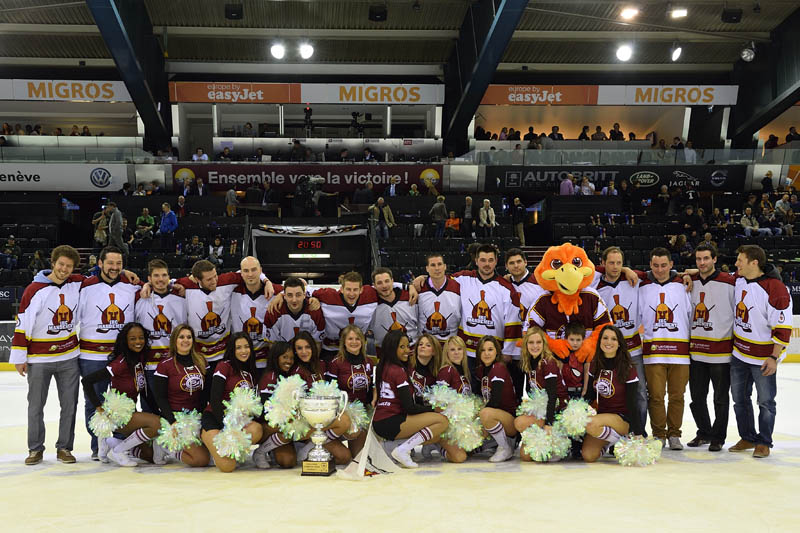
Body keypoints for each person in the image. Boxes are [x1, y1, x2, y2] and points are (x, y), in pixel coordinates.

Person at [11, 246, 83, 465]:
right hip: (38, 359)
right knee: (35, 406)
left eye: (69, 266)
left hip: (69, 357)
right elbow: (23, 324)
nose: (64, 269)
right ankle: (35, 449)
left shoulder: (77, 284)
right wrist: (20, 357)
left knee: (69, 405)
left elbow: (103, 277)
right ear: (52, 263)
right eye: (61, 264)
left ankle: (64, 448)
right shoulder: (34, 290)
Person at [77, 246, 141, 457]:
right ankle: (98, 445)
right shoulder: (84, 286)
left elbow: (158, 284)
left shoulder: (132, 286)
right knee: (94, 401)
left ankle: (120, 443)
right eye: (110, 263)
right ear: (100, 264)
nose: (114, 268)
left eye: (118, 264)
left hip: (123, 357)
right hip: (91, 355)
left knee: (123, 401)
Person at [729, 245, 791, 458]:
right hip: (739, 354)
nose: (736, 264)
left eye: (740, 260)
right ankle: (747, 437)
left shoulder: (776, 289)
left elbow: (783, 329)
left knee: (765, 401)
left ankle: (764, 441)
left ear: (754, 262)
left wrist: (774, 357)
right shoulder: (738, 280)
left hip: (763, 358)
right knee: (739, 399)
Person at [81, 323, 165, 466]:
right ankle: (119, 450)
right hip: (118, 416)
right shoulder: (120, 363)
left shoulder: (139, 358)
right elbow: (87, 381)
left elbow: (144, 392)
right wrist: (98, 407)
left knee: (149, 455)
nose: (138, 342)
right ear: (125, 341)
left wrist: (159, 411)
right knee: (157, 424)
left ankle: (111, 442)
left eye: (141, 338)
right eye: (132, 339)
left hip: (130, 415)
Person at [638, 247, 692, 450]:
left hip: (680, 354)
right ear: (650, 265)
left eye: (664, 265)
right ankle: (659, 434)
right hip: (653, 353)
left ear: (671, 265)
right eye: (655, 265)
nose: (660, 270)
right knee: (656, 396)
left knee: (677, 396)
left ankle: (675, 434)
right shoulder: (642, 286)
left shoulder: (683, 286)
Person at [172, 259, 272, 367]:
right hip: (198, 353)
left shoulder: (226, 281)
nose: (214, 280)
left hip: (224, 352)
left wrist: (267, 281)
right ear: (197, 279)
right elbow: (165, 283)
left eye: (215, 275)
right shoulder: (187, 284)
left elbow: (249, 272)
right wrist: (150, 285)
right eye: (209, 279)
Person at [373, 330, 449, 468]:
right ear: (392, 348)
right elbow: (410, 407)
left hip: (381, 421)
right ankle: (403, 450)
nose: (407, 350)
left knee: (435, 436)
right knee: (442, 421)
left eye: (408, 346)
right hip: (391, 420)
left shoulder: (383, 366)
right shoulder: (399, 371)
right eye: (402, 347)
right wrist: (433, 409)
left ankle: (391, 446)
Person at [592, 246, 648, 430]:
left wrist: (627, 270)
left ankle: (638, 432)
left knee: (639, 392)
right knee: (606, 391)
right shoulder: (595, 284)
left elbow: (659, 273)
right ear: (603, 263)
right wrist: (626, 269)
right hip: (606, 351)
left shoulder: (635, 280)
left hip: (633, 349)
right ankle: (609, 432)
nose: (615, 267)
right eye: (611, 263)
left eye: (619, 263)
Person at [686, 244, 735, 452]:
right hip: (696, 351)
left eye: (706, 258)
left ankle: (718, 437)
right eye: (698, 259)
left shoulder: (730, 282)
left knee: (720, 399)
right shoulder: (690, 281)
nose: (702, 263)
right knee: (697, 397)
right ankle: (704, 432)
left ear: (715, 259)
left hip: (721, 353)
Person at [200, 332, 263, 472]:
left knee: (257, 429)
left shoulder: (251, 372)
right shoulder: (224, 366)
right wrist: (224, 428)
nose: (243, 351)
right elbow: (214, 400)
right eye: (238, 347)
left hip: (237, 424)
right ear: (232, 350)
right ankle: (212, 447)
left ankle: (229, 453)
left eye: (246, 347)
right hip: (215, 419)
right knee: (227, 467)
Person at [581, 325, 645, 462]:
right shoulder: (595, 364)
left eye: (613, 339)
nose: (608, 342)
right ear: (600, 342)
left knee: (590, 424)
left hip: (622, 419)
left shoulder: (628, 367)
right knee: (588, 455)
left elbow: (633, 402)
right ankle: (613, 441)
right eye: (605, 338)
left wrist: (638, 432)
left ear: (619, 344)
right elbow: (590, 396)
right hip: (603, 417)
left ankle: (625, 438)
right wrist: (575, 411)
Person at [152, 326, 211, 467]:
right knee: (200, 460)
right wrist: (172, 421)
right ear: (174, 341)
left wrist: (203, 417)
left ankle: (177, 445)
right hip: (176, 417)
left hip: (196, 417)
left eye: (189, 337)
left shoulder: (202, 361)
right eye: (181, 337)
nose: (186, 340)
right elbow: (160, 398)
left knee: (212, 458)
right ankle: (164, 446)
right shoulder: (165, 365)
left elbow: (206, 393)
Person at [514, 327, 569, 461]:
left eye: (538, 342)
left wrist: (548, 423)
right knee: (525, 456)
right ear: (526, 345)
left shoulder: (547, 362)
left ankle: (557, 435)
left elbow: (553, 395)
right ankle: (545, 438)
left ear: (544, 344)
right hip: (542, 410)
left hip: (557, 408)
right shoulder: (529, 363)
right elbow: (531, 392)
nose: (535, 346)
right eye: (531, 342)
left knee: (519, 422)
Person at [324, 325, 374, 458]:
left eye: (358, 338)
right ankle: (322, 440)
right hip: (342, 412)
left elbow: (371, 392)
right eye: (350, 338)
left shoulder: (369, 362)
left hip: (363, 412)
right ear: (344, 342)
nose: (354, 342)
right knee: (352, 433)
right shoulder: (336, 363)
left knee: (357, 457)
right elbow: (330, 393)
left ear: (363, 341)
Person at [251, 342, 299, 468]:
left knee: (288, 461)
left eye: (291, 358)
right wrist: (286, 418)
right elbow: (263, 413)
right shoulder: (269, 377)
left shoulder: (289, 376)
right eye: (284, 357)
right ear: (275, 357)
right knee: (292, 426)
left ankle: (275, 446)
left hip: (281, 426)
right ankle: (260, 452)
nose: (289, 361)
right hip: (264, 426)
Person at [229, 256, 281, 371]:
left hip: (266, 360)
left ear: (261, 271)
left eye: (254, 270)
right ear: (241, 273)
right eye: (246, 271)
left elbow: (297, 291)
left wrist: (281, 294)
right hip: (240, 359)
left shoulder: (275, 292)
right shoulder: (231, 290)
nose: (250, 274)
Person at [475, 336, 518, 462]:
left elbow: (495, 400)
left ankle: (505, 447)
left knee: (485, 413)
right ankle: (495, 443)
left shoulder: (498, 367)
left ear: (497, 352)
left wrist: (479, 420)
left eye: (490, 349)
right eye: (483, 350)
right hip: (496, 418)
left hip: (509, 421)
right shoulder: (481, 370)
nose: (486, 353)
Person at [370, 268, 419, 355]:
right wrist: (408, 286)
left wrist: (410, 286)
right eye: (379, 283)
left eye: (387, 281)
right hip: (384, 353)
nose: (384, 286)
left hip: (411, 351)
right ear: (374, 285)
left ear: (392, 281)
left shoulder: (410, 297)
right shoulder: (370, 303)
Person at [416, 253, 463, 344]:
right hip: (426, 344)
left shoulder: (458, 286)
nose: (437, 268)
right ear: (427, 268)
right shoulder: (418, 288)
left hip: (450, 344)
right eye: (433, 265)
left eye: (439, 264)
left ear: (445, 266)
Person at [264, 276, 325, 343]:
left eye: (298, 295)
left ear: (304, 295)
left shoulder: (314, 309)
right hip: (283, 352)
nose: (294, 300)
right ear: (284, 296)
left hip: (306, 352)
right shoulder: (274, 311)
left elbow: (317, 343)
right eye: (290, 295)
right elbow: (272, 344)